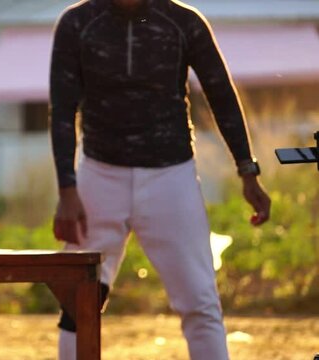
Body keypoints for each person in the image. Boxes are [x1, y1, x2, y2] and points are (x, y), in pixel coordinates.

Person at [49, 0, 271, 359]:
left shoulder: (184, 22)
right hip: (99, 175)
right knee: (80, 301)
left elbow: (221, 94)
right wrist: (67, 189)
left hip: (172, 177)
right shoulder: (78, 23)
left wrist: (248, 170)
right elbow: (61, 108)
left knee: (200, 300)